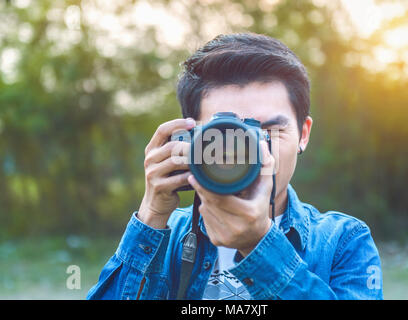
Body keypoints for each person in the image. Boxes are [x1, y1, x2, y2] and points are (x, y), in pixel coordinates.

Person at [87, 33, 383, 300]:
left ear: (303, 134)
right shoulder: (168, 232)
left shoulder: (343, 241)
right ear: (191, 140)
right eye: (226, 135)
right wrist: (151, 215)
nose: (249, 153)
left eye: (267, 133)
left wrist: (261, 247)